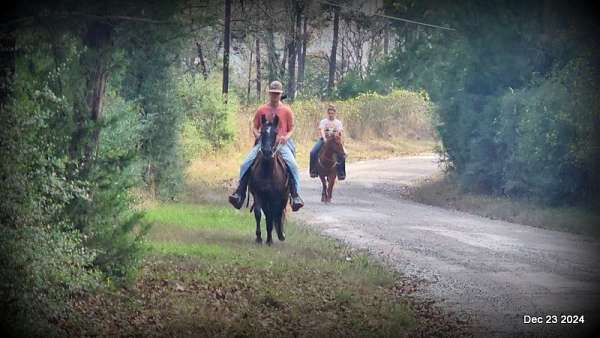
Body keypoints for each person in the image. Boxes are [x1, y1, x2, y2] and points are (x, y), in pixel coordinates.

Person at [228, 80, 304, 211]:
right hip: (263, 143)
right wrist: (257, 135)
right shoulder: (262, 109)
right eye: (272, 93)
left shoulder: (286, 110)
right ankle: (240, 193)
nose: (274, 96)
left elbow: (292, 128)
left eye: (277, 94)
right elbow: (255, 126)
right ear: (269, 94)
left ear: (280, 94)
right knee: (245, 164)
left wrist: (286, 137)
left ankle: (295, 196)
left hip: (280, 144)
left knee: (293, 165)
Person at [309, 104, 346, 179]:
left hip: (335, 141)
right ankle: (313, 170)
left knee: (343, 154)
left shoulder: (338, 122)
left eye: (332, 113)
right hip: (324, 140)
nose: (331, 115)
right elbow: (322, 130)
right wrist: (324, 138)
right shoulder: (323, 121)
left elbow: (339, 132)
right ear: (327, 113)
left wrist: (337, 136)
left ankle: (341, 172)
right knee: (313, 152)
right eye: (329, 113)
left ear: (335, 113)